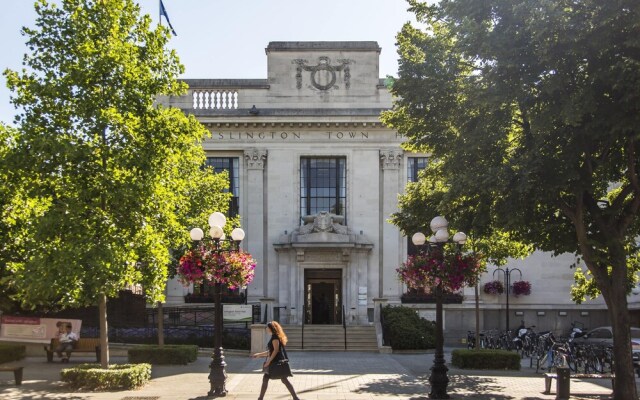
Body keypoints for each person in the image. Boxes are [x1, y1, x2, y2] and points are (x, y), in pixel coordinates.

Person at [251, 321, 300, 400]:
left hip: (276, 362)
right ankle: (295, 398)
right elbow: (271, 351)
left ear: (271, 328)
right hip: (276, 361)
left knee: (269, 378)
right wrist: (259, 355)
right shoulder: (275, 336)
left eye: (267, 327)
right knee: (283, 379)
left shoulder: (275, 337)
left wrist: (268, 361)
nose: (266, 328)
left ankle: (260, 398)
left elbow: (276, 350)